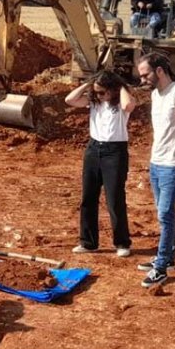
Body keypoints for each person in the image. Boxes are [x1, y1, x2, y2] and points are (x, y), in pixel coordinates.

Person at [134, 53, 175, 288]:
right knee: (166, 214)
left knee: (164, 214)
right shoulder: (155, 94)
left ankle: (161, 267)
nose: (143, 79)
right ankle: (168, 258)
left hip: (174, 164)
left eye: (146, 74)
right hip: (156, 162)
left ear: (160, 70)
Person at [66, 70, 136, 258]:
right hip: (94, 149)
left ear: (112, 90)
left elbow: (129, 105)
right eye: (96, 92)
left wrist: (120, 87)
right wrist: (89, 84)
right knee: (88, 197)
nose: (99, 95)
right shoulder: (94, 102)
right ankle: (88, 242)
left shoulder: (121, 102)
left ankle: (122, 242)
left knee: (114, 199)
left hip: (115, 152)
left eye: (102, 92)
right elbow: (70, 100)